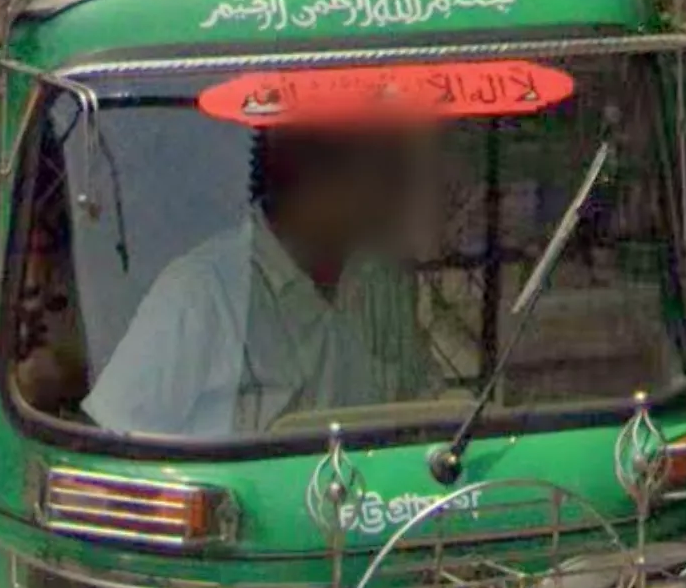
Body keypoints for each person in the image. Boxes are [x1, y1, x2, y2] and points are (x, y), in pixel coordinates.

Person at [84, 129, 431, 439]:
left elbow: (425, 412)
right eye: (390, 176)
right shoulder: (201, 293)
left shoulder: (385, 281)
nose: (403, 197)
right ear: (319, 179)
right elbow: (114, 441)